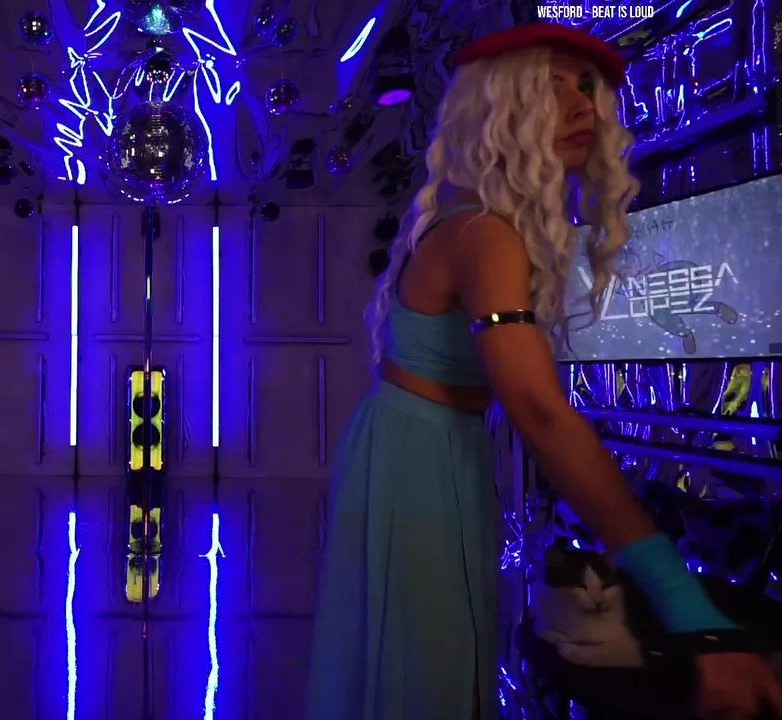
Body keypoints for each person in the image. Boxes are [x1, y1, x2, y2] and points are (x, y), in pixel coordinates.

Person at [304, 22, 782, 720]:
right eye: (550, 87)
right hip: (422, 457)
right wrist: (689, 610)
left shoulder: (473, 219)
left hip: (418, 445)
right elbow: (539, 412)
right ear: (501, 108)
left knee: (427, 662)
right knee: (433, 674)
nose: (580, 103)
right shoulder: (485, 233)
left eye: (584, 85)